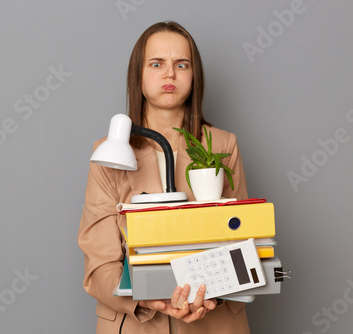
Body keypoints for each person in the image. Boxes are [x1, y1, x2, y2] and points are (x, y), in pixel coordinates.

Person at [78, 21, 250, 333]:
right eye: (157, 64)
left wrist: (211, 297)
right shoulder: (108, 153)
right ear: (138, 75)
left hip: (210, 321)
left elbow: (241, 241)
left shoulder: (224, 145)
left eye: (181, 64)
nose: (169, 74)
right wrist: (148, 300)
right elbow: (99, 264)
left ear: (193, 75)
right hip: (137, 323)